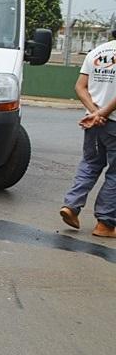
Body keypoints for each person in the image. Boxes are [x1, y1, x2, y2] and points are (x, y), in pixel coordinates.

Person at [60, 37, 116, 237]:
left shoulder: (96, 52)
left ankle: (71, 206)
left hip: (92, 121)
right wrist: (101, 114)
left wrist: (94, 112)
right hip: (111, 122)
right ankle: (105, 224)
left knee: (90, 164)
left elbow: (80, 87)